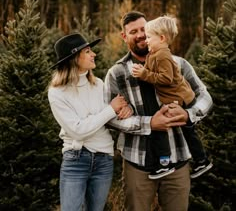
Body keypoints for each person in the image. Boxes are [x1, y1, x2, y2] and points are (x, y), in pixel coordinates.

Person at [104, 11, 213, 211]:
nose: (141, 35)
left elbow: (204, 96)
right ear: (124, 36)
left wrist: (189, 114)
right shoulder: (117, 73)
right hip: (138, 163)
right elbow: (109, 118)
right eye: (133, 31)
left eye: (144, 29)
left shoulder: (179, 64)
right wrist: (148, 124)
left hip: (177, 160)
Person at [48, 33, 132, 211]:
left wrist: (123, 110)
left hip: (103, 160)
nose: (94, 54)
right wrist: (110, 109)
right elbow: (77, 131)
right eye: (87, 51)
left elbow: (109, 119)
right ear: (74, 58)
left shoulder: (99, 84)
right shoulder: (57, 93)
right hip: (76, 160)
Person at [132, 15, 213, 179]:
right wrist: (141, 72)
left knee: (170, 128)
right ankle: (194, 161)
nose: (145, 40)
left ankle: (174, 163)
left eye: (148, 37)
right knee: (173, 128)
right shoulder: (154, 54)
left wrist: (144, 74)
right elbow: (148, 71)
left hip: (181, 99)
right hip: (175, 98)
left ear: (161, 38)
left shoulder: (163, 56)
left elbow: (166, 78)